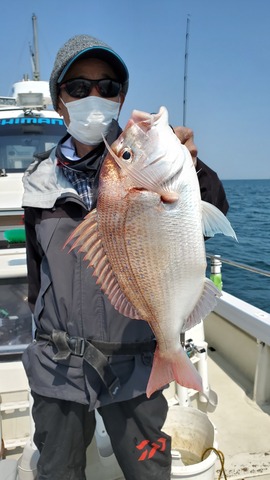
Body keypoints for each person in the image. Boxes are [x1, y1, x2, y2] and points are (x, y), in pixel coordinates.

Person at [22, 34, 229, 480]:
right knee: (56, 471)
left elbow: (210, 210)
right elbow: (37, 277)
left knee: (149, 471)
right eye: (78, 87)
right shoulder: (37, 181)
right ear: (60, 100)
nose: (94, 97)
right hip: (57, 368)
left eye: (108, 86)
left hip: (135, 368)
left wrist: (192, 167)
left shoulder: (144, 159)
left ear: (121, 97)